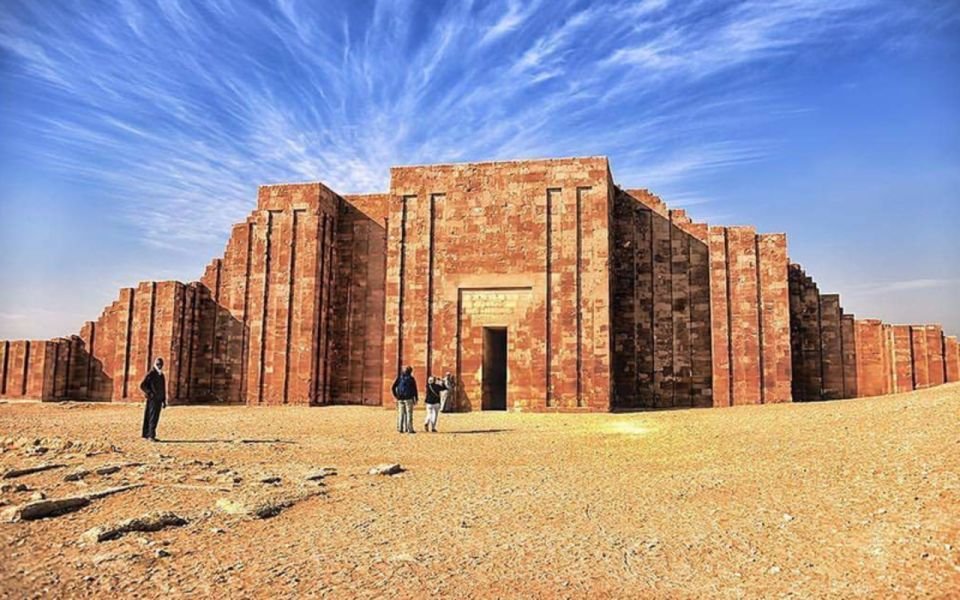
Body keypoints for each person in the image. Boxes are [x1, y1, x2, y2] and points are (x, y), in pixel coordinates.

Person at [140, 357, 167, 441]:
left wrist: (164, 400)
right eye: (158, 364)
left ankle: (148, 434)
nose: (159, 366)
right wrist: (150, 393)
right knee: (151, 416)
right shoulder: (151, 373)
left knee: (154, 417)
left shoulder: (161, 375)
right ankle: (150, 435)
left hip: (158, 399)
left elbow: (163, 388)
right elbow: (143, 385)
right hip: (152, 399)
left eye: (161, 364)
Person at [391, 365, 418, 434]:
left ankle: (400, 428)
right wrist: (416, 398)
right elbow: (414, 389)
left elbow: (393, 387)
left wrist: (396, 396)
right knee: (409, 414)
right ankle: (409, 429)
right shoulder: (411, 379)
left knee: (401, 414)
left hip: (400, 399)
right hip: (408, 398)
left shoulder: (400, 378)